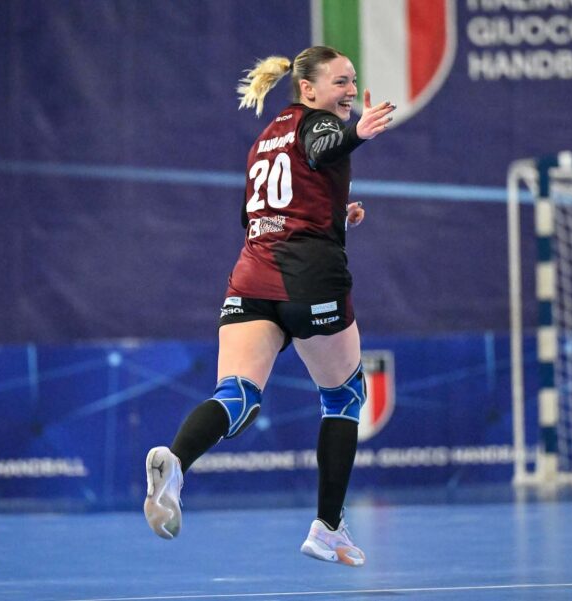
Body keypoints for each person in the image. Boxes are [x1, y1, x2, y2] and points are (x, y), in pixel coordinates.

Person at [143, 46, 395, 567]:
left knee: (236, 394)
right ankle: (328, 528)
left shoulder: (264, 138)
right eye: (340, 82)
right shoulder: (320, 124)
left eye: (353, 81)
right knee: (344, 395)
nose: (350, 90)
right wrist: (358, 132)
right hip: (308, 280)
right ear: (308, 89)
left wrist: (332, 213)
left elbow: (261, 212)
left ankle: (176, 463)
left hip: (251, 276)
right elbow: (324, 147)